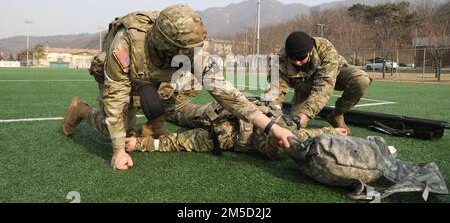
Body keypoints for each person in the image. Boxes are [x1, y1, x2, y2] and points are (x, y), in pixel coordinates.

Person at [61, 5, 296, 171]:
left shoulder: (189, 49)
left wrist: (270, 127)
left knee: (139, 125)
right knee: (122, 135)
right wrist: (117, 151)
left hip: (151, 76)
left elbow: (226, 93)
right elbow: (115, 99)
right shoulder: (125, 46)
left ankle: (151, 125)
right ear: (168, 46)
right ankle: (80, 110)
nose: (194, 54)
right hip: (121, 78)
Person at [124, 98, 347, 160]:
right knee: (180, 111)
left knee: (181, 115)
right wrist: (332, 131)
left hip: (214, 116)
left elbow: (181, 141)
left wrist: (140, 143)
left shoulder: (229, 135)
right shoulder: (285, 130)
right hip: (226, 105)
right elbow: (309, 134)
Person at [267, 31, 372, 134]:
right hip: (303, 86)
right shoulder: (280, 59)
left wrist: (305, 115)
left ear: (311, 51)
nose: (298, 63)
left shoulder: (325, 49)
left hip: (332, 77)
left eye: (301, 58)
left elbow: (323, 86)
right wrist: (273, 114)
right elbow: (274, 92)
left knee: (361, 80)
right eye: (293, 59)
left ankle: (337, 114)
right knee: (293, 126)